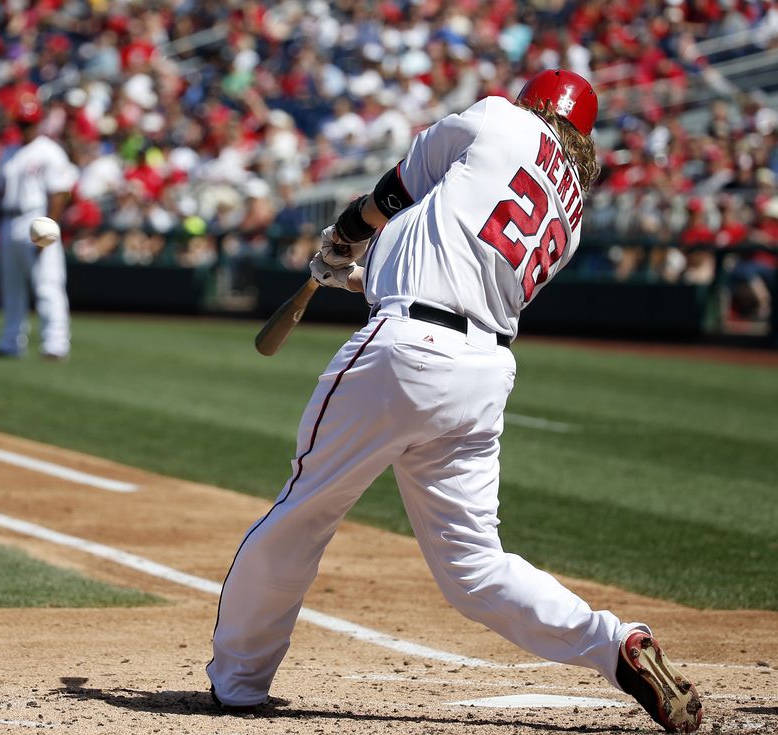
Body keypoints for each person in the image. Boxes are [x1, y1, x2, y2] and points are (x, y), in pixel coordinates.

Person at [206, 70, 703, 734]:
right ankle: (613, 643)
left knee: (305, 509)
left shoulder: (498, 117)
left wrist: (350, 232)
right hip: (480, 372)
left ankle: (238, 680)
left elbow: (397, 190)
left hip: (405, 351)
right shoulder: (572, 210)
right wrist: (360, 273)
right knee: (475, 565)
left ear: (532, 102)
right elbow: (461, 266)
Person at [0, 92, 78, 360]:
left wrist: (49, 229)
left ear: (38, 122)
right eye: (21, 123)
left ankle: (55, 343)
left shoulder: (49, 151)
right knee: (12, 286)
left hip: (36, 219)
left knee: (48, 283)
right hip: (9, 220)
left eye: (29, 122)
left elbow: (60, 194)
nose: (25, 127)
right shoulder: (9, 153)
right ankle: (10, 342)